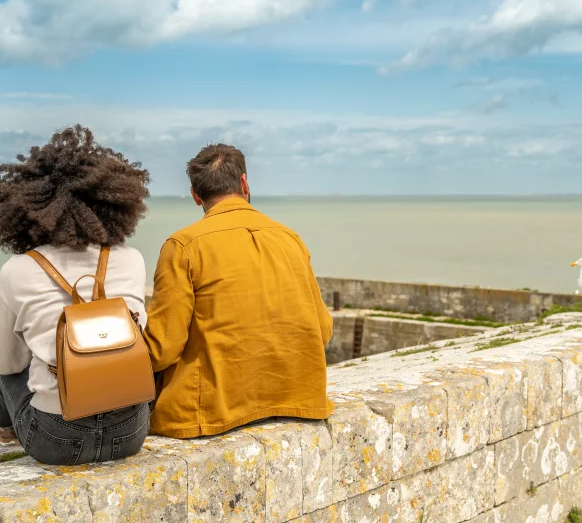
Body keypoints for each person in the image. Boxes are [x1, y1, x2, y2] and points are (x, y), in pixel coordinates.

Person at [144, 143, 333, 439]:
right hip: (297, 402)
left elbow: (162, 349)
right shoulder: (289, 238)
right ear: (244, 183)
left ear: (196, 196)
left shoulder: (183, 246)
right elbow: (322, 330)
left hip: (210, 413)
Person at [0, 126, 151, 465]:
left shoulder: (17, 270)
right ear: (112, 201)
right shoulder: (131, 259)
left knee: (6, 367)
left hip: (54, 439)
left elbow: (7, 364)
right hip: (131, 432)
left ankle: (6, 431)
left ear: (26, 207)